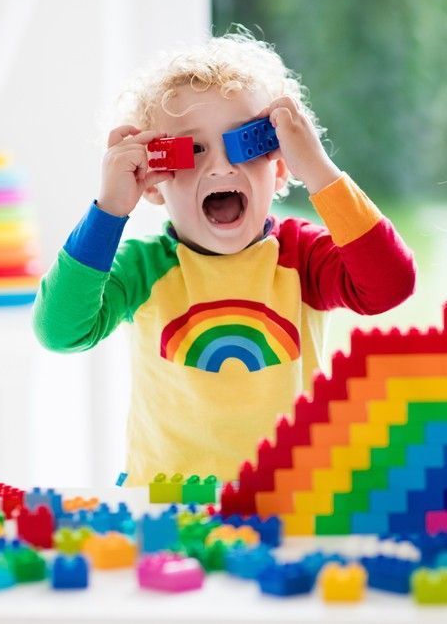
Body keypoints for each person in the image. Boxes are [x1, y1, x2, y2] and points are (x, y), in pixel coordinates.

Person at [33, 29, 416, 485]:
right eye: (190, 150)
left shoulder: (300, 257)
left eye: (244, 145)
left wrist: (318, 169)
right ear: (154, 181)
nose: (219, 167)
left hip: (289, 499)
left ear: (278, 168)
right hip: (165, 504)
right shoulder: (144, 268)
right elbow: (60, 331)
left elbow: (390, 284)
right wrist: (109, 209)